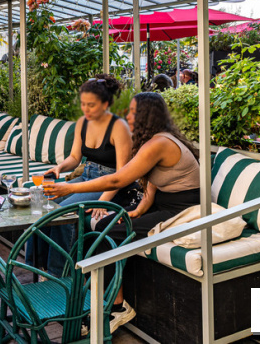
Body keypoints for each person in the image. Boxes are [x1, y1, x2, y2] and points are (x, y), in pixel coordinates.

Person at [44, 92, 200, 333]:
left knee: (108, 231)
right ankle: (88, 294)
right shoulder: (157, 140)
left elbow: (117, 180)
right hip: (163, 204)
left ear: (148, 116)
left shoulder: (159, 143)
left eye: (133, 111)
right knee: (98, 221)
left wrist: (69, 187)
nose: (127, 115)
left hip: (181, 209)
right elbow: (156, 181)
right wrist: (139, 209)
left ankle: (117, 307)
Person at [35, 74, 133, 279]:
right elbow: (74, 157)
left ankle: (59, 275)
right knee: (41, 201)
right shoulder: (83, 123)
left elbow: (123, 175)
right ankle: (37, 266)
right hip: (87, 174)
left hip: (108, 182)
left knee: (63, 212)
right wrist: (59, 168)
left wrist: (104, 201)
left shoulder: (119, 128)